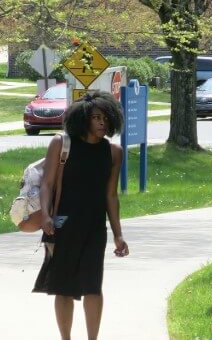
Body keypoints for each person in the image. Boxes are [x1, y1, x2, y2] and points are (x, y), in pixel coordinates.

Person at [34, 91, 129, 340]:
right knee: (63, 288)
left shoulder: (114, 152)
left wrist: (118, 234)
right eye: (96, 117)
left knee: (93, 287)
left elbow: (111, 196)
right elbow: (47, 184)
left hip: (95, 228)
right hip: (61, 226)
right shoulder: (61, 144)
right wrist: (45, 215)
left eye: (106, 118)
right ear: (83, 119)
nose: (102, 122)